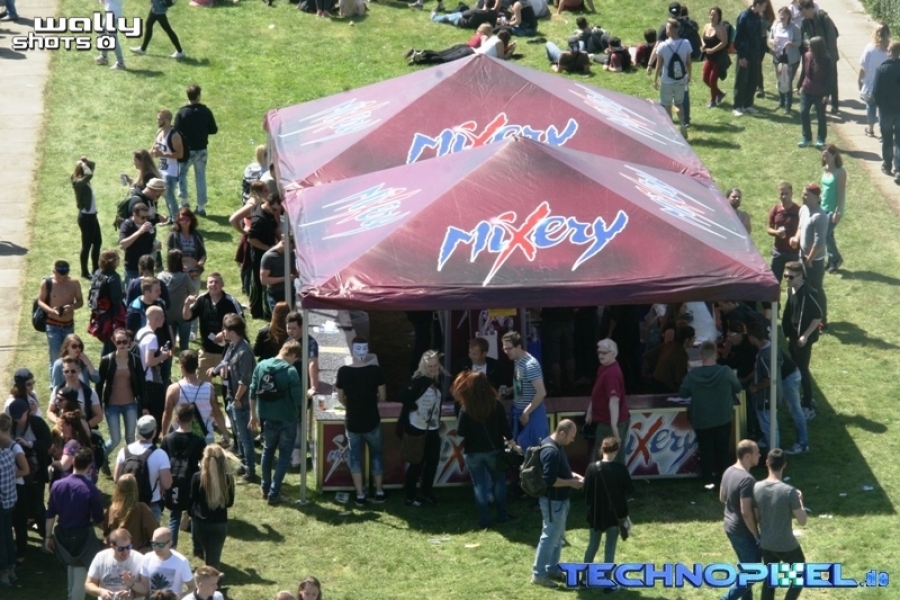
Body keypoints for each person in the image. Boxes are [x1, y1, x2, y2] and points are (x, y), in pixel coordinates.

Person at [453, 371, 514, 527]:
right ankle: (502, 515)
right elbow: (505, 428)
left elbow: (461, 432)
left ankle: (484, 520)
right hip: (494, 450)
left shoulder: (466, 407)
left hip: (473, 452)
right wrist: (513, 443)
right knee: (499, 482)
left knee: (479, 485)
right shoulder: (496, 404)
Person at [679, 341, 741, 488]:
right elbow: (738, 388)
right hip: (722, 417)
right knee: (723, 451)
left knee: (705, 451)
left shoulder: (693, 375)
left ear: (702, 356)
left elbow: (683, 393)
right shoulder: (726, 372)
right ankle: (725, 483)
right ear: (716, 355)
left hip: (701, 419)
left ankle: (708, 482)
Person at [45, 447, 105, 600]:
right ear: (89, 466)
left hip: (62, 535)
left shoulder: (57, 485)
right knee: (80, 571)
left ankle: (71, 595)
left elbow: (50, 514)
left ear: (73, 462)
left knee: (71, 567)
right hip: (82, 537)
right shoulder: (91, 490)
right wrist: (109, 531)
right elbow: (99, 519)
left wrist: (48, 537)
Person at [249, 340, 303, 505]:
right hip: (287, 418)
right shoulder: (290, 371)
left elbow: (252, 391)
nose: (294, 362)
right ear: (292, 355)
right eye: (295, 359)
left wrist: (253, 415)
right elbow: (297, 399)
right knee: (284, 455)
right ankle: (274, 492)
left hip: (267, 418)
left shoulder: (261, 365)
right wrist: (306, 395)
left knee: (267, 451)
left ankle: (265, 487)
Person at [531, 419, 583, 589]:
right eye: (571, 437)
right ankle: (539, 575)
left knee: (557, 537)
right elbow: (550, 480)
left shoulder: (554, 445)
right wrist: (571, 483)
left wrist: (574, 476)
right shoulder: (551, 452)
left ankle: (552, 568)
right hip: (553, 502)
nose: (572, 440)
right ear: (562, 433)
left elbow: (560, 470)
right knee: (549, 537)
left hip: (559, 501)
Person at [337, 337, 387, 506]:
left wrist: (350, 405)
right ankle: (379, 492)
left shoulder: (343, 371)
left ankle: (360, 494)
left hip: (352, 421)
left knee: (355, 458)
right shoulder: (376, 371)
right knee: (377, 455)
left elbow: (340, 398)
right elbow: (383, 397)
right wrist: (371, 402)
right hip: (372, 420)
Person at [753, 448, 808, 600]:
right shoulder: (789, 492)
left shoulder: (756, 488)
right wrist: (800, 500)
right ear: (784, 465)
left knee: (770, 580)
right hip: (786, 544)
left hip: (766, 542)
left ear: (766, 463)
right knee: (800, 575)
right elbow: (803, 521)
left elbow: (755, 517)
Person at [9, 397, 53, 564]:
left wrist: (29, 444)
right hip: (20, 474)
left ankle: (45, 535)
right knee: (22, 506)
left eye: (19, 416)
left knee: (37, 506)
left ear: (27, 412)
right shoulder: (11, 425)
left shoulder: (37, 423)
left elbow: (47, 442)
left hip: (36, 472)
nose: (16, 419)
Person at [399, 350, 445, 507]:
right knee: (416, 463)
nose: (432, 368)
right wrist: (413, 407)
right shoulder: (419, 380)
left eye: (435, 365)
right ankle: (410, 497)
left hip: (432, 428)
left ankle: (426, 494)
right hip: (417, 428)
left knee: (432, 463)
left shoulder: (437, 380)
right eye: (429, 366)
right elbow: (403, 395)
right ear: (424, 366)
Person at [718, 439, 762, 600]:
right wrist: (756, 534)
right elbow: (746, 512)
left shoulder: (729, 471)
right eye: (757, 452)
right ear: (747, 456)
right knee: (753, 572)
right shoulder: (747, 480)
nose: (759, 455)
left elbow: (722, 497)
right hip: (742, 531)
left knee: (746, 568)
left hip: (729, 526)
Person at [160, 402, 206, 549]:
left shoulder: (167, 439)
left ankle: (171, 549)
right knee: (195, 515)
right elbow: (204, 463)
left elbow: (162, 462)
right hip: (192, 482)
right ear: (192, 418)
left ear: (177, 418)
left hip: (173, 481)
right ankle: (197, 548)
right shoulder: (198, 440)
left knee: (174, 517)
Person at [583, 437, 633, 574]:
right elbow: (630, 490)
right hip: (614, 514)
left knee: (592, 546)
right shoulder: (621, 469)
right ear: (616, 451)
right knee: (610, 548)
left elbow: (586, 492)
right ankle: (607, 580)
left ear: (602, 449)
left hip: (595, 514)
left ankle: (584, 578)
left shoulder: (592, 468)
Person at [217, 315, 257, 482]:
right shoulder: (233, 346)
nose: (223, 332)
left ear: (232, 332)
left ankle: (250, 471)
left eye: (225, 330)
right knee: (239, 436)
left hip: (241, 401)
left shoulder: (244, 352)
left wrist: (238, 398)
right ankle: (243, 464)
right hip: (232, 398)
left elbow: (245, 380)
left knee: (245, 438)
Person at [781, 261, 823, 421]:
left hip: (803, 339)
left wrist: (805, 336)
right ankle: (801, 397)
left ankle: (808, 403)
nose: (787, 279)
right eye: (785, 276)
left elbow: (818, 316)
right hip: (793, 336)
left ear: (800, 277)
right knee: (796, 367)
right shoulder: (791, 289)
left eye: (791, 277)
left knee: (803, 370)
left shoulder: (809, 294)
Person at [183, 272, 243, 382]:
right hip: (206, 351)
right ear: (206, 285)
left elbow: (241, 322)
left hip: (227, 352)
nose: (213, 284)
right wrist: (187, 304)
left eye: (216, 282)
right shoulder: (202, 299)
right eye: (211, 282)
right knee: (201, 383)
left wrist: (224, 334)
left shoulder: (230, 301)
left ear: (222, 284)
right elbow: (187, 317)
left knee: (228, 384)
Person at [114, 415, 173, 523]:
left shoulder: (124, 451)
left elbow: (116, 479)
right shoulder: (160, 455)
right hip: (150, 505)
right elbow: (167, 484)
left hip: (127, 505)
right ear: (154, 431)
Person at [162, 349, 227, 444]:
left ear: (181, 366)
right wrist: (225, 433)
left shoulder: (173, 389)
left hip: (181, 437)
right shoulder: (209, 388)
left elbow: (167, 415)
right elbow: (217, 413)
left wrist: (164, 436)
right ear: (197, 365)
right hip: (205, 438)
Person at [97, 329, 145, 458]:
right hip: (111, 405)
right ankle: (101, 457)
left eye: (124, 341)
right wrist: (98, 406)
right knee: (115, 440)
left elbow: (142, 383)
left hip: (130, 404)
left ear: (129, 342)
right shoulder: (107, 360)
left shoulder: (135, 360)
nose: (122, 345)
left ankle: (131, 463)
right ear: (114, 342)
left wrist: (144, 404)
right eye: (119, 342)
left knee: (130, 437)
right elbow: (99, 385)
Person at [174, 85, 218, 216]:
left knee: (181, 174)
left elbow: (176, 131)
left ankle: (184, 201)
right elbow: (214, 129)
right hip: (202, 149)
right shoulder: (206, 111)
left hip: (187, 151)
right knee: (200, 177)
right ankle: (201, 207)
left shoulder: (182, 113)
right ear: (198, 96)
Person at [501, 331, 548, 451]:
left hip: (532, 416)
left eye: (509, 348)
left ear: (518, 346)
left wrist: (526, 412)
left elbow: (541, 392)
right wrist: (511, 390)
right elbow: (523, 384)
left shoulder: (530, 365)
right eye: (504, 348)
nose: (506, 352)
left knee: (534, 453)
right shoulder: (517, 361)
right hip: (521, 414)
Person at [189, 445, 234, 569]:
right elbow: (229, 503)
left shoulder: (197, 477)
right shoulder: (228, 479)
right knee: (213, 560)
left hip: (200, 523)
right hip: (219, 524)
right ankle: (213, 580)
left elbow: (191, 501)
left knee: (206, 552)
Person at [585, 339, 629, 465]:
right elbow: (597, 392)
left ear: (613, 353)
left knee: (609, 458)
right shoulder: (604, 367)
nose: (601, 355)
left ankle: (612, 477)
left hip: (611, 422)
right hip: (605, 421)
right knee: (606, 456)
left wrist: (614, 427)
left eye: (604, 352)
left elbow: (614, 400)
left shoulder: (611, 374)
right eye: (599, 352)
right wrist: (590, 411)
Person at [791, 183, 828, 329]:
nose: (803, 196)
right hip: (803, 257)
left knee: (816, 290)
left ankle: (822, 320)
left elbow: (819, 242)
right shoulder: (803, 209)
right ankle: (807, 316)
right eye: (803, 193)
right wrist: (796, 238)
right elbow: (800, 227)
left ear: (816, 197)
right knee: (803, 287)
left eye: (806, 194)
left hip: (814, 261)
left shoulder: (820, 216)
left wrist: (809, 259)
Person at [37, 260, 85, 372]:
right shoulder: (47, 283)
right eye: (59, 276)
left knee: (71, 357)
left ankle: (68, 378)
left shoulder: (74, 283)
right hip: (53, 326)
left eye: (65, 275)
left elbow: (80, 301)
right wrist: (52, 311)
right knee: (55, 358)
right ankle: (55, 382)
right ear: (54, 271)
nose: (62, 279)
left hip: (69, 326)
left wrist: (71, 307)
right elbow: (40, 301)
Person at [136, 306, 174, 435]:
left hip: (141, 378)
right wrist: (163, 356)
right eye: (163, 316)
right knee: (157, 415)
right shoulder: (152, 338)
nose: (164, 319)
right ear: (157, 319)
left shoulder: (141, 332)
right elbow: (149, 361)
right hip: (151, 381)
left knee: (143, 414)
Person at [0, 412, 28, 587]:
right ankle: (11, 570)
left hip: (1, 504)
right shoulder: (8, 455)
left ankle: (3, 572)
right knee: (8, 537)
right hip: (10, 502)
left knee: (1, 540)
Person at [654, 18, 692, 137]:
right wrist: (689, 75)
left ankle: (671, 130)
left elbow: (659, 65)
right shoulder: (686, 43)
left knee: (668, 104)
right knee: (679, 104)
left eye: (666, 27)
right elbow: (688, 63)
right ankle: (682, 124)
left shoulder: (662, 46)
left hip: (667, 80)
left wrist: (655, 79)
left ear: (669, 30)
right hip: (680, 79)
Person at [799, 0, 838, 113]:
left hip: (828, 54)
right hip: (814, 55)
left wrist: (828, 56)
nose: (803, 15)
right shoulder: (805, 22)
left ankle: (834, 104)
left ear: (810, 9)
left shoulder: (823, 19)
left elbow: (832, 37)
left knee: (831, 79)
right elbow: (804, 36)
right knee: (817, 79)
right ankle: (819, 104)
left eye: (804, 12)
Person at [102, 475, 158, 553]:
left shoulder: (112, 508)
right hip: (136, 553)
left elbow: (106, 531)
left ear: (118, 489)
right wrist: (149, 548)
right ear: (135, 489)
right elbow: (155, 531)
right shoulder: (141, 508)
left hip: (117, 552)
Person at [133, 527, 196, 598]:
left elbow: (192, 588)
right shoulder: (147, 558)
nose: (156, 548)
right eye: (154, 543)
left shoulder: (181, 561)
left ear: (170, 543)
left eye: (161, 545)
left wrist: (179, 596)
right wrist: (132, 583)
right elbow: (145, 588)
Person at [248, 194, 283, 320]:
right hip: (259, 256)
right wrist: (269, 249)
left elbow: (274, 227)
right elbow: (251, 239)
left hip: (268, 252)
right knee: (260, 284)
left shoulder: (268, 212)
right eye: (274, 209)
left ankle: (265, 311)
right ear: (268, 203)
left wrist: (281, 240)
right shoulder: (259, 220)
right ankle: (259, 312)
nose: (276, 212)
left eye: (278, 210)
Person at [85, 528, 144, 600]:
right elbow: (89, 584)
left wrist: (133, 594)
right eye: (121, 549)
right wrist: (101, 592)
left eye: (128, 547)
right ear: (112, 546)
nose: (125, 551)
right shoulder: (101, 557)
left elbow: (147, 588)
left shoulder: (140, 559)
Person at [797, 36, 834, 148]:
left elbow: (830, 79)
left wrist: (827, 94)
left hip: (820, 92)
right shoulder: (806, 56)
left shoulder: (827, 60)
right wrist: (798, 86)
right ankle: (807, 138)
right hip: (807, 89)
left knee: (821, 116)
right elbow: (804, 72)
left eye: (811, 46)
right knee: (803, 112)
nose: (809, 48)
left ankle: (821, 139)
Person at [733, 0, 768, 116]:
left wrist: (766, 50)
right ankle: (737, 106)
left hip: (755, 55)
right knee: (741, 81)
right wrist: (741, 56)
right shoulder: (744, 17)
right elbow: (738, 38)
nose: (765, 9)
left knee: (753, 80)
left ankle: (748, 104)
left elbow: (759, 38)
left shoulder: (757, 18)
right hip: (745, 54)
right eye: (764, 6)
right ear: (757, 5)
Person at [89, 249, 127, 355]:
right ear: (112, 261)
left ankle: (105, 363)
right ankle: (108, 364)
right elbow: (115, 299)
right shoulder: (114, 277)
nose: (119, 260)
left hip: (100, 314)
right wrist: (125, 293)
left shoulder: (97, 273)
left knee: (107, 343)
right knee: (112, 345)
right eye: (117, 258)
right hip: (112, 316)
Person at [149, 110, 186, 219]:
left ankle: (176, 219)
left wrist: (162, 154)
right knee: (165, 195)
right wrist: (145, 156)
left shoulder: (174, 135)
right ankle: (172, 218)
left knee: (169, 196)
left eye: (159, 118)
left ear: (167, 120)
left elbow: (180, 154)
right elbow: (153, 149)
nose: (157, 120)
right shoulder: (159, 132)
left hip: (171, 171)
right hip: (161, 169)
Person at [49, 358, 104, 429]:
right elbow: (49, 411)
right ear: (63, 372)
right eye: (66, 371)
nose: (70, 374)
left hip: (83, 431)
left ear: (79, 370)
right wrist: (58, 421)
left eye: (73, 371)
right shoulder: (57, 390)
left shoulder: (89, 392)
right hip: (63, 430)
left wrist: (85, 426)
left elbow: (99, 416)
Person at [71, 157, 102, 280]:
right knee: (87, 246)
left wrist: (84, 162)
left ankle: (96, 268)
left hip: (92, 216)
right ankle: (84, 272)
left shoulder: (84, 181)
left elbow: (90, 172)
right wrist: (84, 165)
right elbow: (89, 175)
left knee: (98, 242)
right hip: (86, 218)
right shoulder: (78, 182)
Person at [873, 41, 900, 178]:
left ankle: (887, 165)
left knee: (887, 139)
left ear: (889, 52)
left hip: (886, 110)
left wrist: (879, 104)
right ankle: (899, 168)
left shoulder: (882, 69)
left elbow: (875, 91)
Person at [859, 24, 891, 139]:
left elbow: (863, 66)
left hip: (870, 84)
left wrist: (860, 79)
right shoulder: (890, 49)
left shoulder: (869, 48)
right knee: (883, 111)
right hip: (886, 87)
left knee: (870, 106)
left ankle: (870, 129)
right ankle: (883, 132)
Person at [159, 250, 194, 351]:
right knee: (184, 345)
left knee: (170, 344)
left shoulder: (161, 276)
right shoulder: (184, 277)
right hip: (183, 314)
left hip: (168, 315)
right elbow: (192, 291)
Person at [644, 324, 694, 394]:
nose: (694, 340)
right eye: (693, 338)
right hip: (666, 389)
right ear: (687, 340)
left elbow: (647, 355)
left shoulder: (667, 345)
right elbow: (678, 379)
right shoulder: (681, 355)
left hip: (654, 382)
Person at [770, 6, 802, 114]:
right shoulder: (775, 26)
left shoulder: (795, 28)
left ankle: (788, 106)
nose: (782, 16)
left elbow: (799, 42)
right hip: (778, 57)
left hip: (790, 59)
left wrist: (791, 43)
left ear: (789, 16)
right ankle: (781, 102)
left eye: (784, 14)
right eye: (780, 14)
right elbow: (770, 38)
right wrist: (772, 41)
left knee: (787, 82)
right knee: (780, 80)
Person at [767, 182, 802, 282]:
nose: (784, 196)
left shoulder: (798, 210)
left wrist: (796, 238)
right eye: (781, 194)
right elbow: (769, 228)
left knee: (794, 280)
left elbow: (802, 228)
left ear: (791, 193)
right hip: (778, 251)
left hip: (793, 252)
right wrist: (776, 232)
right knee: (774, 281)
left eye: (786, 193)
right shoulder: (775, 209)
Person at [820, 145, 847, 273]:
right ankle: (832, 260)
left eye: (827, 155)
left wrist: (837, 211)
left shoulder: (840, 172)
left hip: (834, 209)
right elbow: (825, 188)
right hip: (823, 206)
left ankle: (835, 258)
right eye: (823, 156)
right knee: (829, 235)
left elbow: (841, 193)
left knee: (824, 234)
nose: (825, 158)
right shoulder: (825, 169)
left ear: (834, 155)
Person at [119, 203, 158, 285]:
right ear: (134, 215)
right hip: (133, 268)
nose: (145, 220)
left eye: (147, 217)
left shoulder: (148, 225)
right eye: (143, 217)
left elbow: (151, 242)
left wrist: (155, 246)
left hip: (147, 268)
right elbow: (122, 245)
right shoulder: (127, 225)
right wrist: (140, 231)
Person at [701, 7, 729, 107]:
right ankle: (719, 93)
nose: (712, 17)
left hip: (718, 59)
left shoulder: (720, 29)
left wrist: (712, 50)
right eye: (711, 15)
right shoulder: (706, 26)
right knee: (705, 78)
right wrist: (703, 45)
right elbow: (702, 37)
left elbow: (724, 42)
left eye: (715, 15)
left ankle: (713, 101)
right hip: (709, 58)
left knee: (712, 80)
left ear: (719, 17)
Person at [259, 239, 295, 312]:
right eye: (291, 247)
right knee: (279, 318)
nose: (292, 250)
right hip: (276, 294)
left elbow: (292, 269)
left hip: (291, 292)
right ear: (284, 242)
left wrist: (297, 273)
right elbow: (264, 280)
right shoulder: (269, 257)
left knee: (292, 317)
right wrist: (285, 278)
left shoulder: (291, 254)